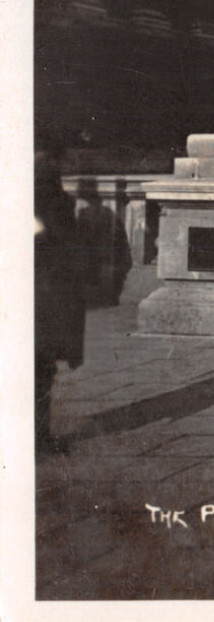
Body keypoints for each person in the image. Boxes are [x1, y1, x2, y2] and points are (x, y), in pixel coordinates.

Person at [35, 143, 87, 454]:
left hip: (40, 299)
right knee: (41, 371)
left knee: (39, 371)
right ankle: (40, 438)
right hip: (47, 300)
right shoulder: (56, 208)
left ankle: (39, 436)